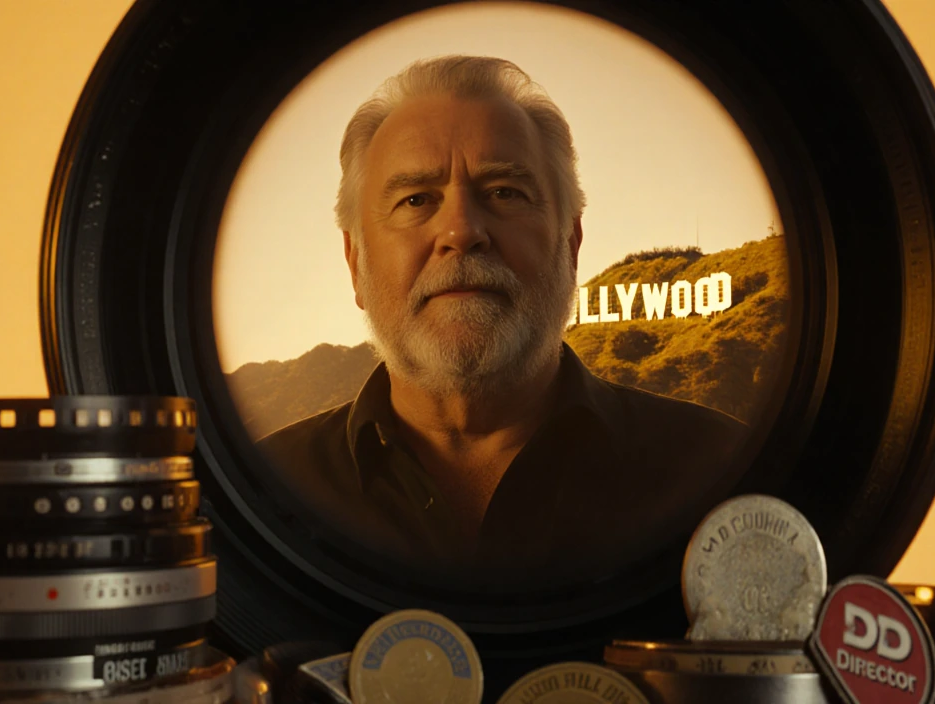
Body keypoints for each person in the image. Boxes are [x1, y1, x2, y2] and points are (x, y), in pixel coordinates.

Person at [257, 55, 748, 586]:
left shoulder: (727, 475)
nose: (462, 230)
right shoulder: (259, 496)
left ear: (572, 244)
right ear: (356, 263)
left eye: (504, 193)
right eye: (416, 199)